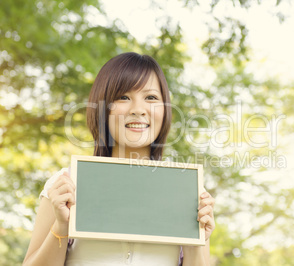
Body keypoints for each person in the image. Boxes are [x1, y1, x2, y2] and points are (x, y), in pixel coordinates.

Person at [23, 52, 215, 266]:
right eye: (123, 97)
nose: (138, 110)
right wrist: (61, 227)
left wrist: (194, 238)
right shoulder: (66, 185)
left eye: (151, 97)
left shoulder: (187, 190)